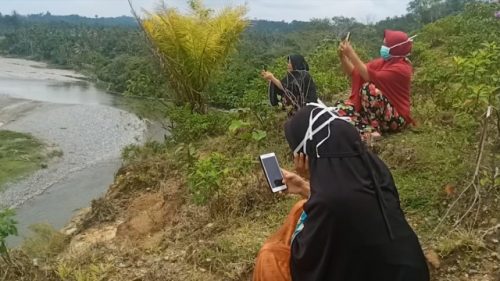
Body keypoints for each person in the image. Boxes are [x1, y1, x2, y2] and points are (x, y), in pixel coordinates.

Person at [253, 104, 429, 281]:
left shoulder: (329, 201)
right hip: (408, 270)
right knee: (301, 206)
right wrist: (304, 186)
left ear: (305, 155)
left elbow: (307, 263)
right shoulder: (373, 168)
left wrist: (312, 183)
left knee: (270, 256)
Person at [336, 29, 416, 140]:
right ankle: (365, 128)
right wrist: (343, 57)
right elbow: (356, 72)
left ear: (396, 48)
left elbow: (368, 76)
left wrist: (350, 53)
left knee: (369, 89)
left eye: (386, 45)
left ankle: (374, 130)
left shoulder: (401, 68)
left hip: (396, 118)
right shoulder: (384, 62)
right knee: (340, 107)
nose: (384, 47)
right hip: (379, 114)